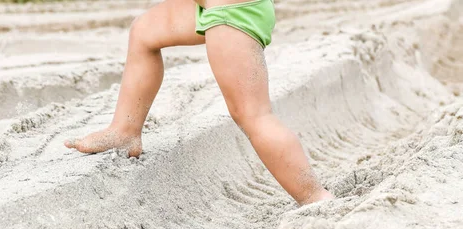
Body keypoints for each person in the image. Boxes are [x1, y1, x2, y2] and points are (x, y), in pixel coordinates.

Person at [65, 0, 334, 205]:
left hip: (233, 9)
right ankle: (124, 131)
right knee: (144, 31)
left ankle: (316, 199)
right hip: (211, 6)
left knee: (253, 115)